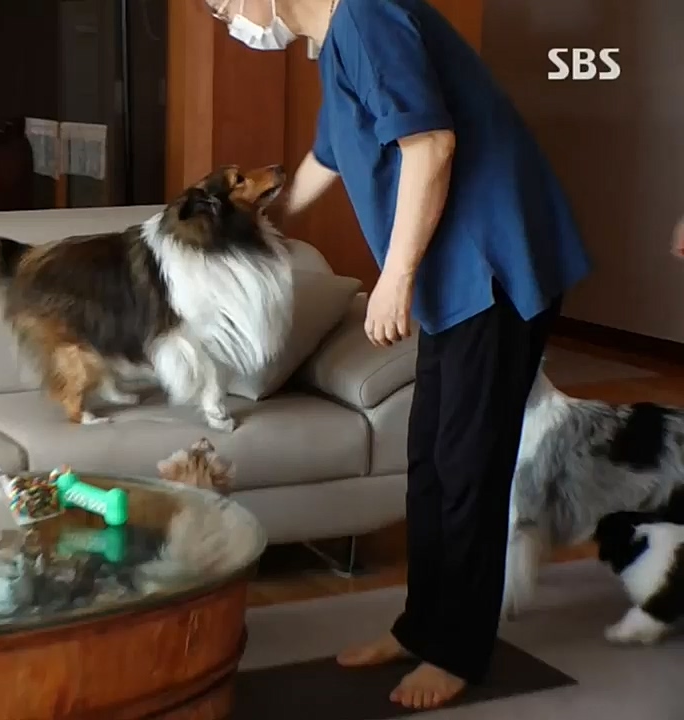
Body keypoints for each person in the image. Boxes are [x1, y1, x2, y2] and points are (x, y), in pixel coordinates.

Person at [205, 0, 591, 710]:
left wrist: (396, 277)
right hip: (456, 279)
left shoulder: (368, 16)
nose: (228, 19)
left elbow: (431, 146)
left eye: (225, 3)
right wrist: (258, 225)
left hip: (494, 266)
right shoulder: (337, 41)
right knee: (430, 463)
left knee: (468, 465)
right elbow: (329, 153)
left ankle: (458, 650)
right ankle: (422, 626)